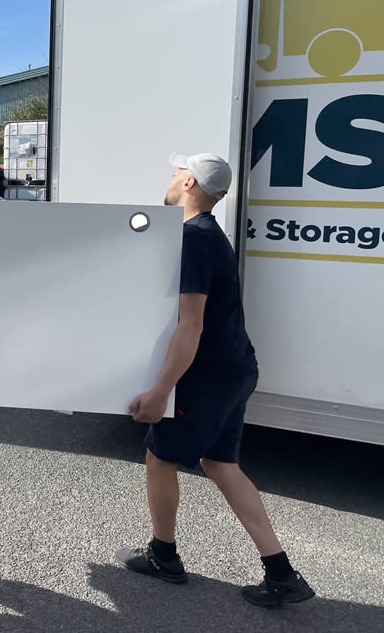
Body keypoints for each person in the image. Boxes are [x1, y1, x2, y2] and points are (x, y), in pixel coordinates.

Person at [116, 153, 314, 608]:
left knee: (159, 458)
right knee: (220, 464)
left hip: (207, 377)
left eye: (173, 172)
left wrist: (160, 391)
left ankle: (164, 555)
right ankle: (281, 572)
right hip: (237, 368)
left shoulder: (191, 238)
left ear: (187, 182)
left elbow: (191, 326)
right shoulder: (210, 234)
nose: (168, 179)